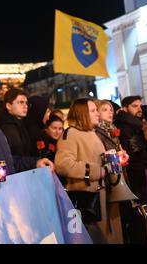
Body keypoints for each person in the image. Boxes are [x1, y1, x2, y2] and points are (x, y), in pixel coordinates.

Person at [55, 98, 123, 243]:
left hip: (103, 195)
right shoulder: (71, 134)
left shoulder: (91, 133)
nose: (97, 113)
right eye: (92, 111)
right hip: (87, 200)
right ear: (82, 114)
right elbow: (63, 165)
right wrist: (97, 171)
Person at [114, 96, 147, 243]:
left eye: (140, 106)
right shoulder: (126, 126)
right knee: (139, 217)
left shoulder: (137, 124)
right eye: (135, 106)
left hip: (142, 173)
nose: (139, 109)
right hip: (136, 176)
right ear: (125, 108)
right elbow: (136, 153)